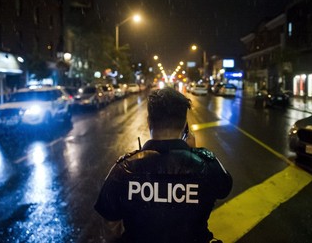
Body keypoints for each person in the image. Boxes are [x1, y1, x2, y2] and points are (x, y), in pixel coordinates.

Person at [94, 87, 233, 243]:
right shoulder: (207, 164)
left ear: (148, 122)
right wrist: (193, 152)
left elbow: (110, 224)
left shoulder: (123, 169)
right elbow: (224, 188)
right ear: (184, 125)